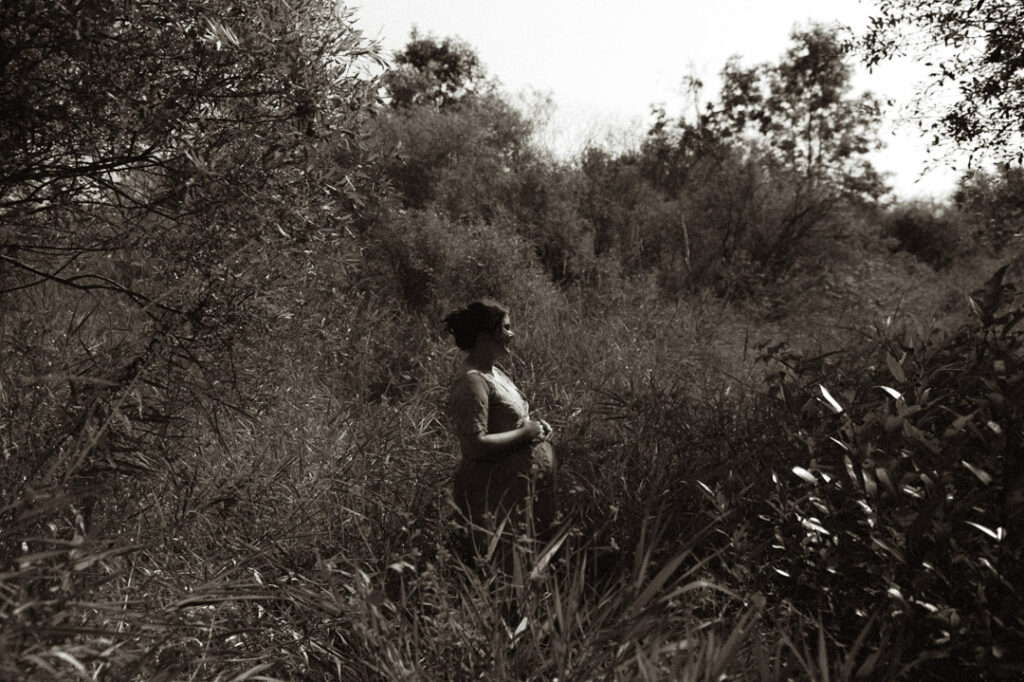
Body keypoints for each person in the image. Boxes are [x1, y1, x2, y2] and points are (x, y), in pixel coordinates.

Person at [443, 300, 557, 559]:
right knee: (505, 567)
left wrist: (535, 426)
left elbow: (510, 418)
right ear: (484, 336)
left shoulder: (494, 372)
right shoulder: (471, 381)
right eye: (505, 328)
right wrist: (526, 434)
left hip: (517, 493)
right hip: (494, 498)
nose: (511, 334)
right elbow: (474, 445)